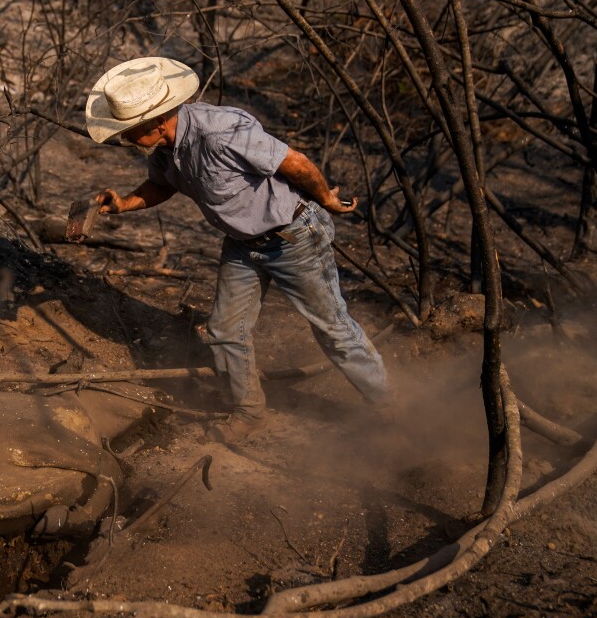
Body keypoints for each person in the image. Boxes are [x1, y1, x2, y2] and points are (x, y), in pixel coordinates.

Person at [84, 57, 391, 443]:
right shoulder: (165, 148)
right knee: (225, 331)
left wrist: (326, 198)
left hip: (292, 236)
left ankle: (387, 408)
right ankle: (249, 412)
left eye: (129, 132)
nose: (125, 139)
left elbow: (294, 163)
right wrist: (125, 203)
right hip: (244, 246)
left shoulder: (222, 132)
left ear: (157, 121)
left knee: (332, 327)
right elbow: (162, 186)